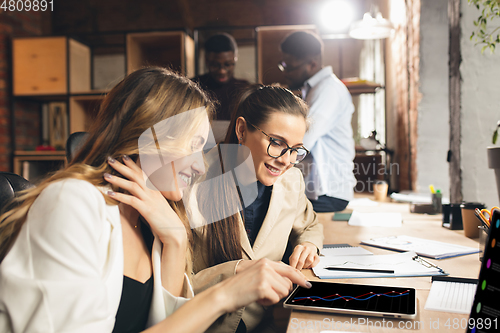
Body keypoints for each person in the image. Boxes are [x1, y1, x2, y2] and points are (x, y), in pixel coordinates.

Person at [0, 67, 312, 333]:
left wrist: (176, 240)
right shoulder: (73, 203)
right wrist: (224, 295)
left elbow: (169, 324)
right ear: (145, 135)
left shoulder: (157, 220)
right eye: (192, 145)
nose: (202, 164)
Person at [191, 85, 324, 333]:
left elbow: (310, 225)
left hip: (266, 324)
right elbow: (173, 285)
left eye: (295, 149)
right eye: (276, 142)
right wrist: (237, 272)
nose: (286, 159)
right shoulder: (192, 180)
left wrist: (308, 245)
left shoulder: (290, 180)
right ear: (242, 130)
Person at [279, 31, 356, 212]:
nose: (286, 73)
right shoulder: (315, 89)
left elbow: (303, 140)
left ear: (312, 63)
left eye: (290, 67)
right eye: (283, 66)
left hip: (328, 192)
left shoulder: (327, 90)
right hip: (321, 191)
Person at [192, 33, 250, 121]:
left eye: (228, 64)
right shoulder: (193, 86)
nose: (221, 71)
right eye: (215, 65)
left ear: (235, 58)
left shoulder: (244, 89)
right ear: (206, 61)